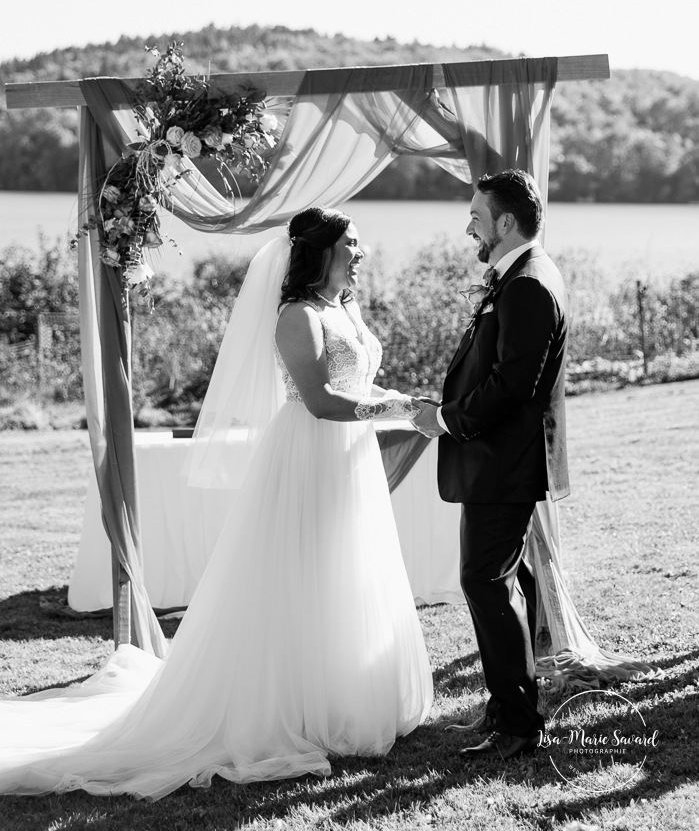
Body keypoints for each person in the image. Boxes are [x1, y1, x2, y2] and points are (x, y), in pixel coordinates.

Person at [0, 206, 433, 798]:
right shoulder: (297, 316)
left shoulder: (344, 308)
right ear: (321, 250)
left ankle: (345, 697)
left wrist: (407, 401)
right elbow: (322, 400)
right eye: (350, 243)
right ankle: (291, 707)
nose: (360, 252)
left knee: (347, 571)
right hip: (309, 454)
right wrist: (399, 411)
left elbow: (357, 388)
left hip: (348, 458)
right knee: (301, 574)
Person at [413, 169, 569, 761]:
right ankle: (509, 708)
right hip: (506, 460)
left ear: (506, 222)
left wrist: (447, 420)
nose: (469, 225)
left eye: (477, 214)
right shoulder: (524, 274)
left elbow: (512, 386)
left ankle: (519, 726)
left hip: (504, 462)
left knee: (484, 579)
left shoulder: (528, 284)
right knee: (508, 579)